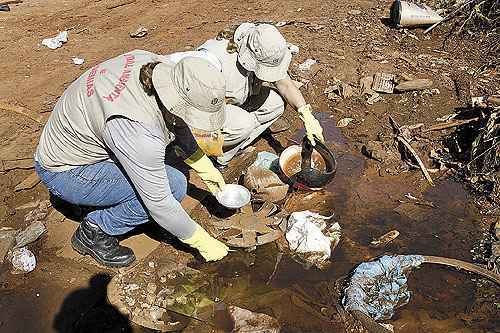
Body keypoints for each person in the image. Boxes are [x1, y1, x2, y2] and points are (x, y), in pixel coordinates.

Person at [34, 50, 230, 267]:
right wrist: (202, 242)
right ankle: (94, 230)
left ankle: (103, 201)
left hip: (78, 138)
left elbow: (177, 118)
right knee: (174, 186)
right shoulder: (137, 128)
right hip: (65, 170)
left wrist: (202, 164)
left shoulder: (158, 66)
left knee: (163, 167)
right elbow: (160, 203)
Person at [166, 22, 325, 167]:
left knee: (275, 103)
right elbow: (169, 69)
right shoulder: (212, 60)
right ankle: (201, 152)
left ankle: (230, 148)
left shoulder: (262, 48)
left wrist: (306, 114)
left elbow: (285, 83)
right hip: (196, 117)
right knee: (243, 124)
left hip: (226, 104)